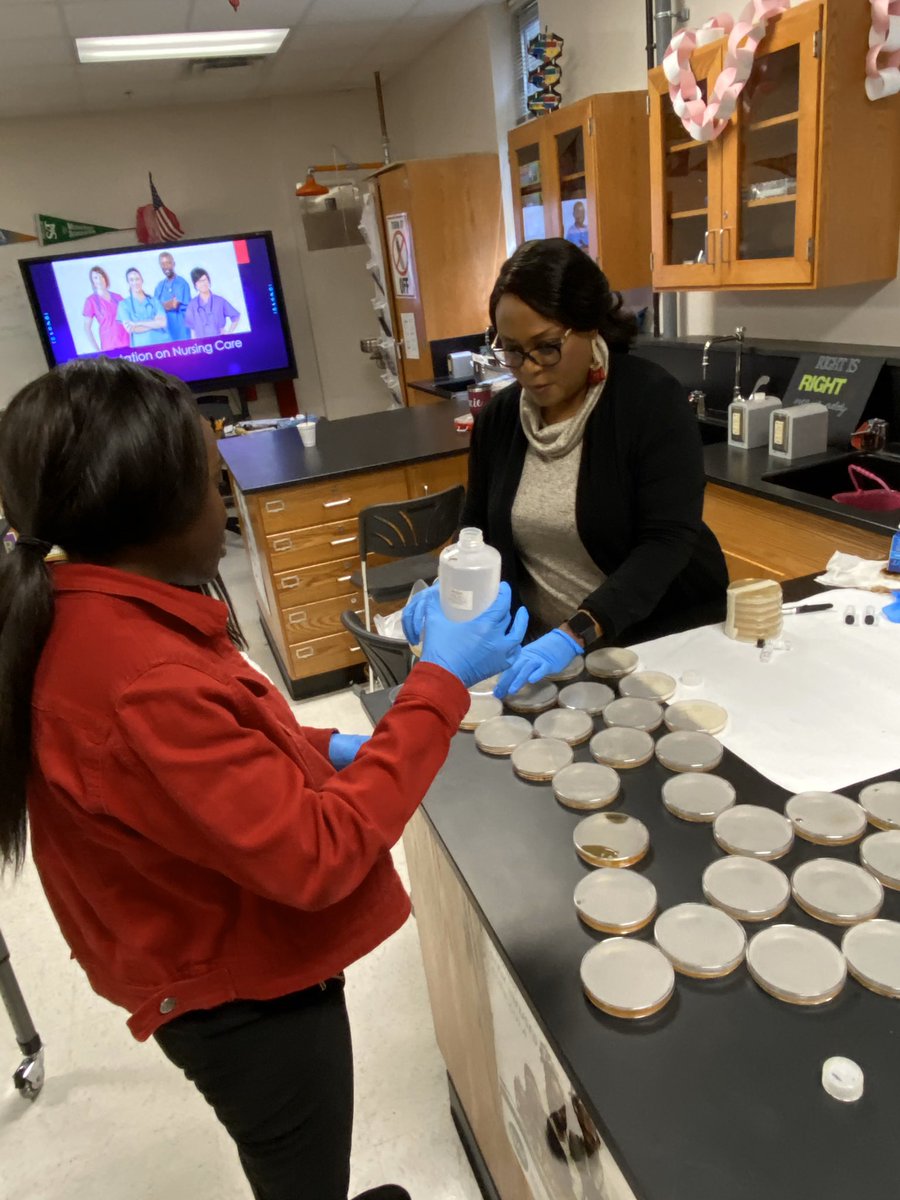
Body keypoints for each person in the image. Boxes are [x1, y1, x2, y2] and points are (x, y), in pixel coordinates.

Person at [0, 356, 527, 1200]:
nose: (225, 510)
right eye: (216, 489)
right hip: (242, 995)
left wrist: (322, 749)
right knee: (301, 1167)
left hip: (208, 945)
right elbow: (316, 855)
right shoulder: (135, 676)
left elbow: (206, 760)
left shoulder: (98, 610)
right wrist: (440, 682)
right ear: (159, 516)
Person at [405, 239, 727, 698]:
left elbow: (666, 543)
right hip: (554, 652)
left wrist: (577, 631)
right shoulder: (499, 420)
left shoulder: (650, 402)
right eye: (512, 351)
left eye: (546, 347)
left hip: (660, 640)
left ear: (589, 324)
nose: (529, 369)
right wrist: (447, 583)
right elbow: (478, 526)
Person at [115, 267, 169, 348]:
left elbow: (162, 323)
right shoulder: (123, 305)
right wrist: (154, 323)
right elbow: (131, 329)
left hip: (162, 345)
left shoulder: (154, 301)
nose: (135, 282)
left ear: (142, 280)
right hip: (141, 349)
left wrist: (138, 323)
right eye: (131, 280)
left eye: (137, 279)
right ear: (128, 282)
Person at [81, 265, 129, 352]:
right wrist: (97, 350)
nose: (99, 280)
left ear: (105, 278)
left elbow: (129, 318)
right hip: (109, 346)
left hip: (127, 343)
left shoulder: (118, 297)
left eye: (101, 276)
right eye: (95, 278)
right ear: (93, 282)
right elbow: (86, 327)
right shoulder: (91, 301)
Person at [185, 267, 240, 338]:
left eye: (204, 280)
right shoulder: (192, 304)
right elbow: (192, 329)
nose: (203, 284)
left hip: (220, 342)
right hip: (202, 344)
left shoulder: (220, 301)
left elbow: (236, 316)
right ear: (195, 285)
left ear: (208, 280)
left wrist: (229, 333)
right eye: (199, 281)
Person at [153, 251, 191, 341]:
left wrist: (161, 306)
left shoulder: (181, 283)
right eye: (163, 264)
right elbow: (154, 309)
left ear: (173, 264)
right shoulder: (159, 286)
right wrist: (165, 305)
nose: (166, 266)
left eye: (168, 263)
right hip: (165, 332)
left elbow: (174, 304)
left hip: (181, 331)